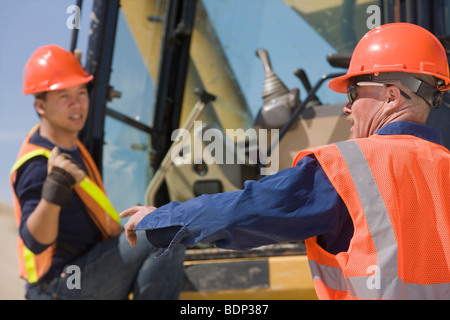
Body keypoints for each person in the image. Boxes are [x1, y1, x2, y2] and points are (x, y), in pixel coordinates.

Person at [120, 23, 450, 300]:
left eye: (353, 93)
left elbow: (250, 209)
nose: (346, 108)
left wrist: (162, 217)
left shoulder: (351, 168)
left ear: (391, 95)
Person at [10, 44, 185, 300]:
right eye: (63, 97)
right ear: (41, 107)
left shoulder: (73, 144)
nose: (77, 104)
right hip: (61, 286)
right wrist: (53, 193)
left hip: (86, 272)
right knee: (166, 233)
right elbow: (35, 240)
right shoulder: (39, 165)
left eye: (81, 93)